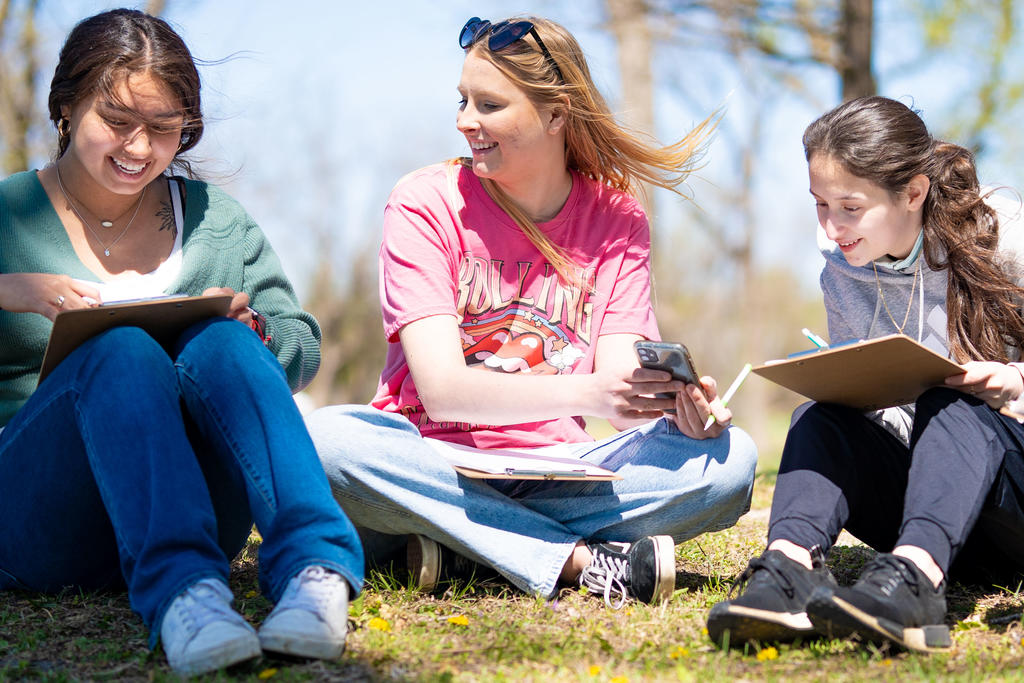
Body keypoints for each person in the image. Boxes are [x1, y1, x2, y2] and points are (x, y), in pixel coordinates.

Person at [306, 15, 757, 609]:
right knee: (326, 442)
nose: (465, 121)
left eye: (489, 105)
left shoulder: (617, 220)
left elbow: (620, 392)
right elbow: (441, 392)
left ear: (555, 114)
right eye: (463, 101)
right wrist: (595, 394)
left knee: (731, 462)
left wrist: (675, 410)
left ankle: (461, 547)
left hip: (561, 468)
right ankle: (575, 561)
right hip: (430, 460)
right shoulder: (424, 202)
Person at [0, 9, 364, 676]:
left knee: (221, 342)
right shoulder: (8, 215)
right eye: (117, 121)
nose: (138, 147)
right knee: (122, 350)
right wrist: (10, 290)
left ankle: (315, 571)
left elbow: (301, 345)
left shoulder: (217, 221)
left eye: (163, 130)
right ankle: (184, 596)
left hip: (199, 506)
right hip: (36, 516)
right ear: (65, 108)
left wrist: (255, 334)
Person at [706, 95, 1024, 653]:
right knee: (820, 415)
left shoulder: (1000, 231)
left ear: (914, 192)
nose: (831, 229)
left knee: (950, 402)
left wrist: (1014, 382)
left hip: (1012, 505)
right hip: (939, 508)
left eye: (849, 207)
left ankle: (915, 587)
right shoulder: (842, 275)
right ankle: (787, 574)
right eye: (820, 205)